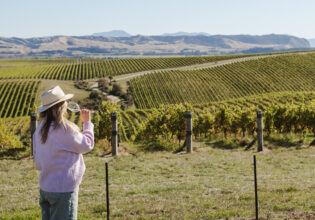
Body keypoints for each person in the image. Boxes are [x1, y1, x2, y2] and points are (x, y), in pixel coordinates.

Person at [33, 85, 94, 220]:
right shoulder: (64, 129)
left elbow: (38, 162)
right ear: (61, 107)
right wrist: (87, 123)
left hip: (46, 188)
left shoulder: (39, 129)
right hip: (63, 191)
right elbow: (87, 145)